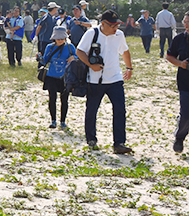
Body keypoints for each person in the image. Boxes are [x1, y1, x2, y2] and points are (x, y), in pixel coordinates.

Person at [77, 10, 134, 154]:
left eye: (117, 25)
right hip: (95, 80)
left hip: (115, 78)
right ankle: (91, 139)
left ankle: (119, 143)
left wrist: (129, 68)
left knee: (120, 110)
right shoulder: (92, 33)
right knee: (92, 110)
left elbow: (125, 51)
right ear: (103, 24)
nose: (116, 28)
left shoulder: (119, 35)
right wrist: (91, 65)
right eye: (113, 25)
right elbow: (80, 51)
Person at [41, 26, 77, 129]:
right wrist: (39, 57)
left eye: (62, 38)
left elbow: (78, 58)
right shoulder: (50, 47)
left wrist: (74, 57)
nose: (60, 40)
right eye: (58, 38)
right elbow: (44, 60)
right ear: (54, 38)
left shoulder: (70, 47)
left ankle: (63, 121)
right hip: (51, 76)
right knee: (52, 98)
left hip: (65, 77)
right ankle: (53, 121)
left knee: (64, 99)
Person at [166, 12, 189, 153]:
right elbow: (169, 56)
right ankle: (180, 137)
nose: (186, 24)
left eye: (189, 22)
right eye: (185, 21)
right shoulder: (180, 39)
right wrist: (181, 63)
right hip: (185, 81)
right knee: (187, 113)